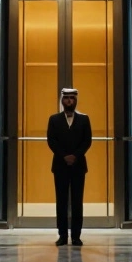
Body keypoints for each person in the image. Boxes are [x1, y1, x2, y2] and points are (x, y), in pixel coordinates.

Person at [46, 87, 92, 246]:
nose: (69, 101)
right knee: (61, 201)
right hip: (60, 165)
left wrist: (75, 156)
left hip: (78, 165)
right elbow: (51, 141)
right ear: (62, 100)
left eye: (72, 98)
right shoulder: (54, 119)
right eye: (66, 98)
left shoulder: (84, 119)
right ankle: (62, 235)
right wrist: (64, 156)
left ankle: (76, 236)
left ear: (76, 100)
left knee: (77, 201)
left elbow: (87, 141)